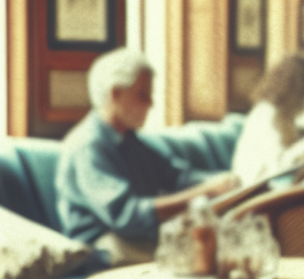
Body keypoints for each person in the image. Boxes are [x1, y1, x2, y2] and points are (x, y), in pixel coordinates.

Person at [57, 49, 235, 265]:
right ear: (115, 94)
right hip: (100, 249)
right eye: (143, 94)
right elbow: (127, 216)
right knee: (201, 260)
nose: (151, 103)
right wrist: (205, 192)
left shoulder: (129, 139)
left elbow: (177, 177)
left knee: (220, 250)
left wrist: (222, 181)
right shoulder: (88, 145)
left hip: (136, 241)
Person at [231, 53, 304, 186]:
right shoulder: (266, 114)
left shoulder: (284, 115)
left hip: (273, 184)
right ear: (297, 88)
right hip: (256, 189)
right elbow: (279, 165)